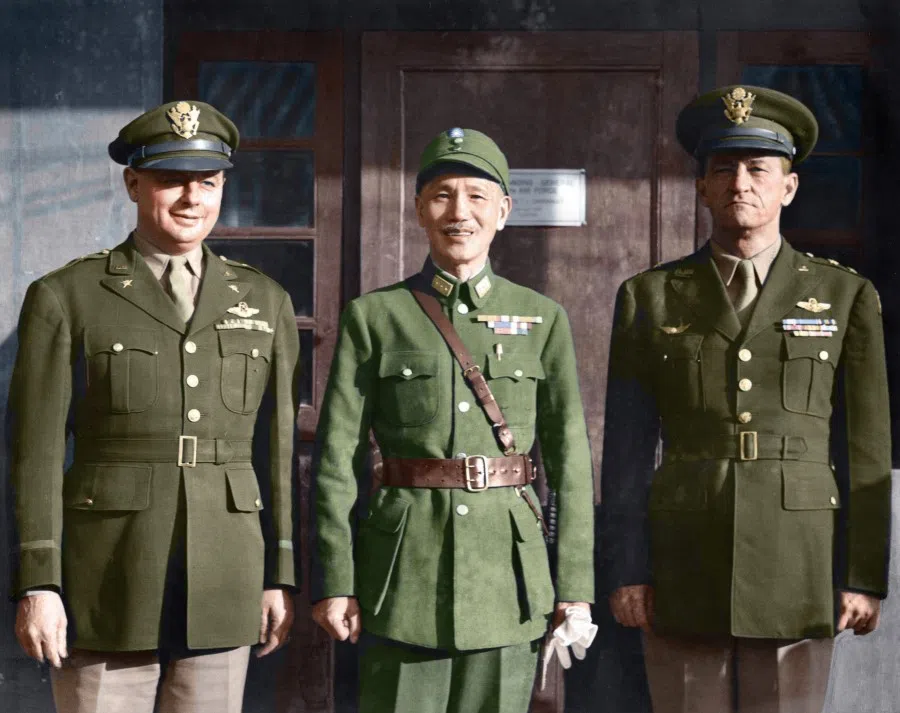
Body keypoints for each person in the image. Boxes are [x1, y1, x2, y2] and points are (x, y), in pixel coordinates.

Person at [599, 85, 891, 713]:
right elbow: (625, 450)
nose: (741, 182)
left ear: (788, 186)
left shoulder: (843, 296)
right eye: (723, 168)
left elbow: (865, 447)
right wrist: (627, 569)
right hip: (684, 559)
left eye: (759, 168)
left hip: (798, 560)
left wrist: (863, 575)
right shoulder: (650, 297)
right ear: (701, 186)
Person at [9, 100, 300, 713]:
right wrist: (39, 581)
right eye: (173, 180)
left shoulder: (264, 300)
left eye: (209, 182)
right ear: (134, 183)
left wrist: (279, 573)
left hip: (225, 573)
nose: (193, 198)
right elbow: (32, 454)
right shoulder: (67, 296)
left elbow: (274, 452)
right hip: (108, 576)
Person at [310, 128, 595, 712]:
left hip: (508, 581)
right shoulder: (375, 316)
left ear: (504, 211)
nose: (459, 212)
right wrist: (337, 580)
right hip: (403, 577)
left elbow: (569, 463)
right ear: (419, 209)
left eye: (476, 196)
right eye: (441, 195)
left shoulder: (542, 318)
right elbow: (336, 462)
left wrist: (576, 588)